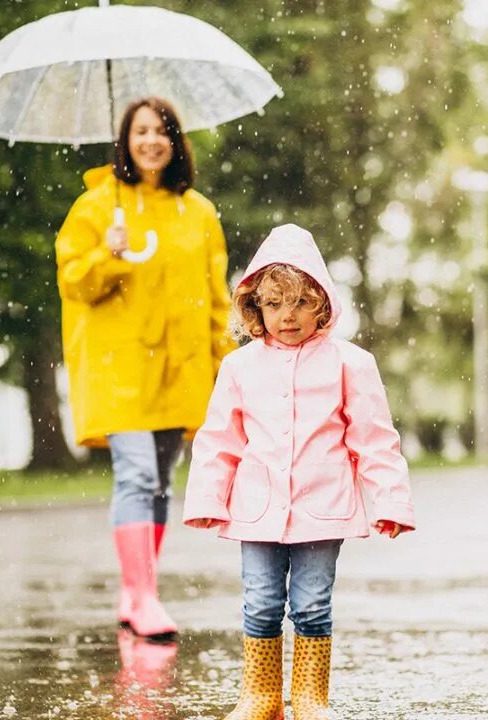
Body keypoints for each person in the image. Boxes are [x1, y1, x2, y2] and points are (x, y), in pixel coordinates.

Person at [182, 224, 416, 720]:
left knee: (311, 605)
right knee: (260, 603)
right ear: (255, 309)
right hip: (257, 508)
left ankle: (311, 699)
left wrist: (390, 501)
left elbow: (375, 438)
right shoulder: (239, 367)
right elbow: (220, 438)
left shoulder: (350, 363)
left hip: (322, 506)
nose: (287, 315)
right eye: (273, 304)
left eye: (299, 302)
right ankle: (260, 696)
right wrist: (207, 498)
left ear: (322, 304)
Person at [55, 97, 234, 639]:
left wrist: (223, 364)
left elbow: (215, 297)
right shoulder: (96, 205)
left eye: (162, 131)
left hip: (181, 369)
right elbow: (73, 282)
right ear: (125, 140)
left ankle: (135, 589)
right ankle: (146, 596)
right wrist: (106, 254)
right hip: (120, 367)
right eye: (141, 131)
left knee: (160, 485)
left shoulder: (198, 211)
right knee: (136, 475)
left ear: (176, 141)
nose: (152, 140)